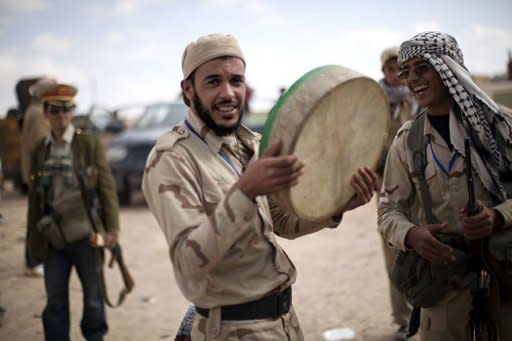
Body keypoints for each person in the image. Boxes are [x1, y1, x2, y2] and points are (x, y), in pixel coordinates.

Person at [142, 33, 377, 341]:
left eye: (236, 81)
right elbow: (188, 262)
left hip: (283, 322)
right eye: (213, 82)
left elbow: (281, 222)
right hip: (230, 329)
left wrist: (336, 207)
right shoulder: (171, 158)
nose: (228, 93)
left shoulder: (250, 144)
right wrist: (245, 191)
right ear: (188, 90)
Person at [378, 31, 512, 340]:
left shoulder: (500, 126)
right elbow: (388, 212)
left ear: (448, 67)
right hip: (444, 278)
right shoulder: (407, 141)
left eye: (422, 67)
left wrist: (497, 216)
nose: (413, 78)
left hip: (503, 271)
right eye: (406, 70)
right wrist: (412, 235)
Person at [27, 82, 120, 341]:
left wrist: (112, 228)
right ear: (45, 113)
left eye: (67, 111)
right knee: (55, 301)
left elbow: (106, 187)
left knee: (93, 298)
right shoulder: (39, 150)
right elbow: (35, 201)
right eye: (55, 111)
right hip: (53, 236)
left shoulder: (88, 144)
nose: (61, 117)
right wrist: (33, 240)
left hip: (86, 233)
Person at [375, 46, 417, 340]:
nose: (398, 75)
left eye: (403, 69)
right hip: (389, 188)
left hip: (422, 185)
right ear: (384, 72)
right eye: (393, 69)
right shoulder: (374, 103)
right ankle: (403, 320)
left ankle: (425, 313)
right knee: (394, 255)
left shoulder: (418, 97)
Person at [20, 77, 55, 277]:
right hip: (40, 174)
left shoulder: (32, 110)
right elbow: (43, 146)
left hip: (33, 173)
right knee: (38, 218)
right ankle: (34, 261)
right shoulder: (39, 112)